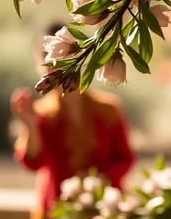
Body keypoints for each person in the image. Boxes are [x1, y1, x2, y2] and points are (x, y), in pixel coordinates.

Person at [11, 23, 136, 219]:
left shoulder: (109, 109)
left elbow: (125, 159)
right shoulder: (41, 114)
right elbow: (33, 163)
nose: (57, 69)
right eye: (48, 62)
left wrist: (93, 184)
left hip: (105, 209)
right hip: (57, 209)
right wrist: (30, 126)